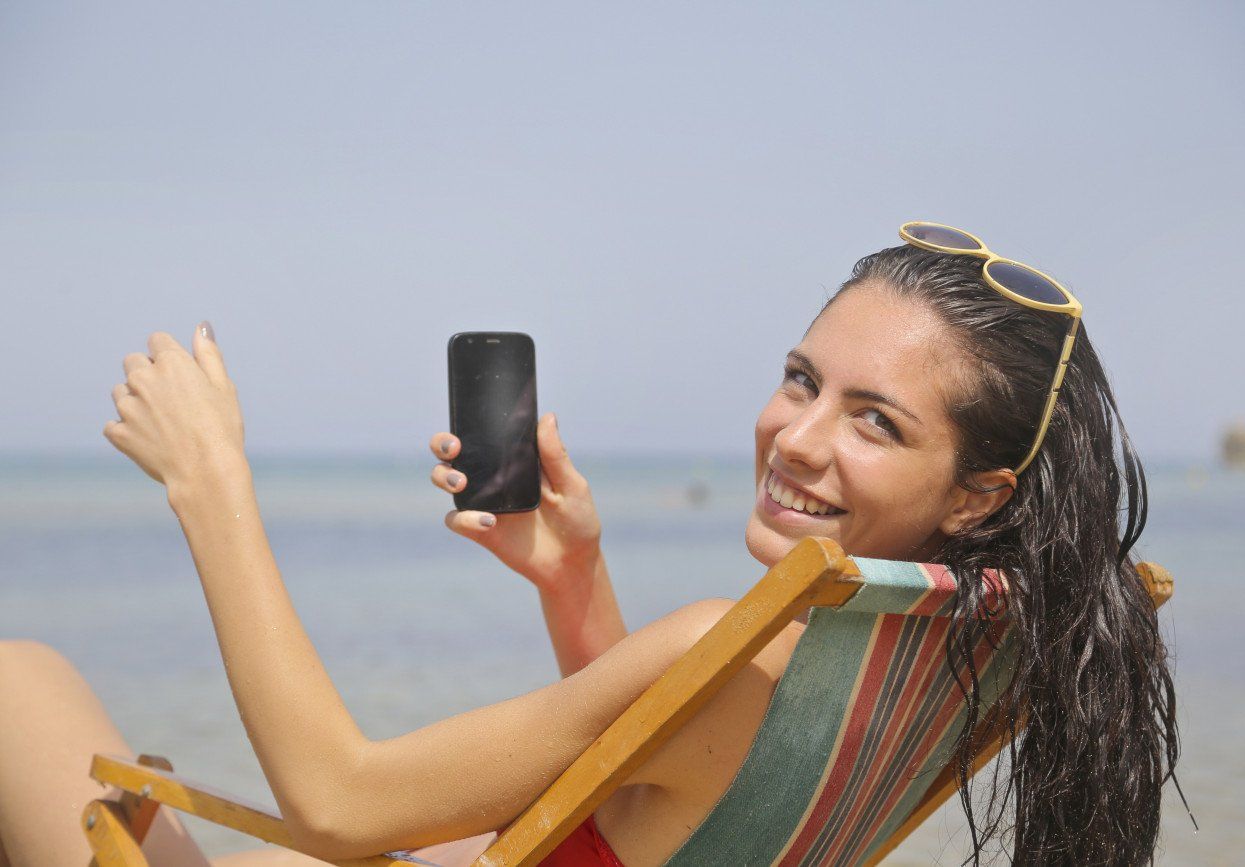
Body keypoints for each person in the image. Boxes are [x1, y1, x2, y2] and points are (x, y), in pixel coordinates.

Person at [0, 225, 1178, 866]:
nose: (794, 439)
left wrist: (211, 482)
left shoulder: (737, 649)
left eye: (874, 422)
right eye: (800, 380)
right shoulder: (953, 647)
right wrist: (575, 578)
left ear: (976, 496)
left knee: (18, 687)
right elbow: (674, 790)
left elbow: (338, 805)